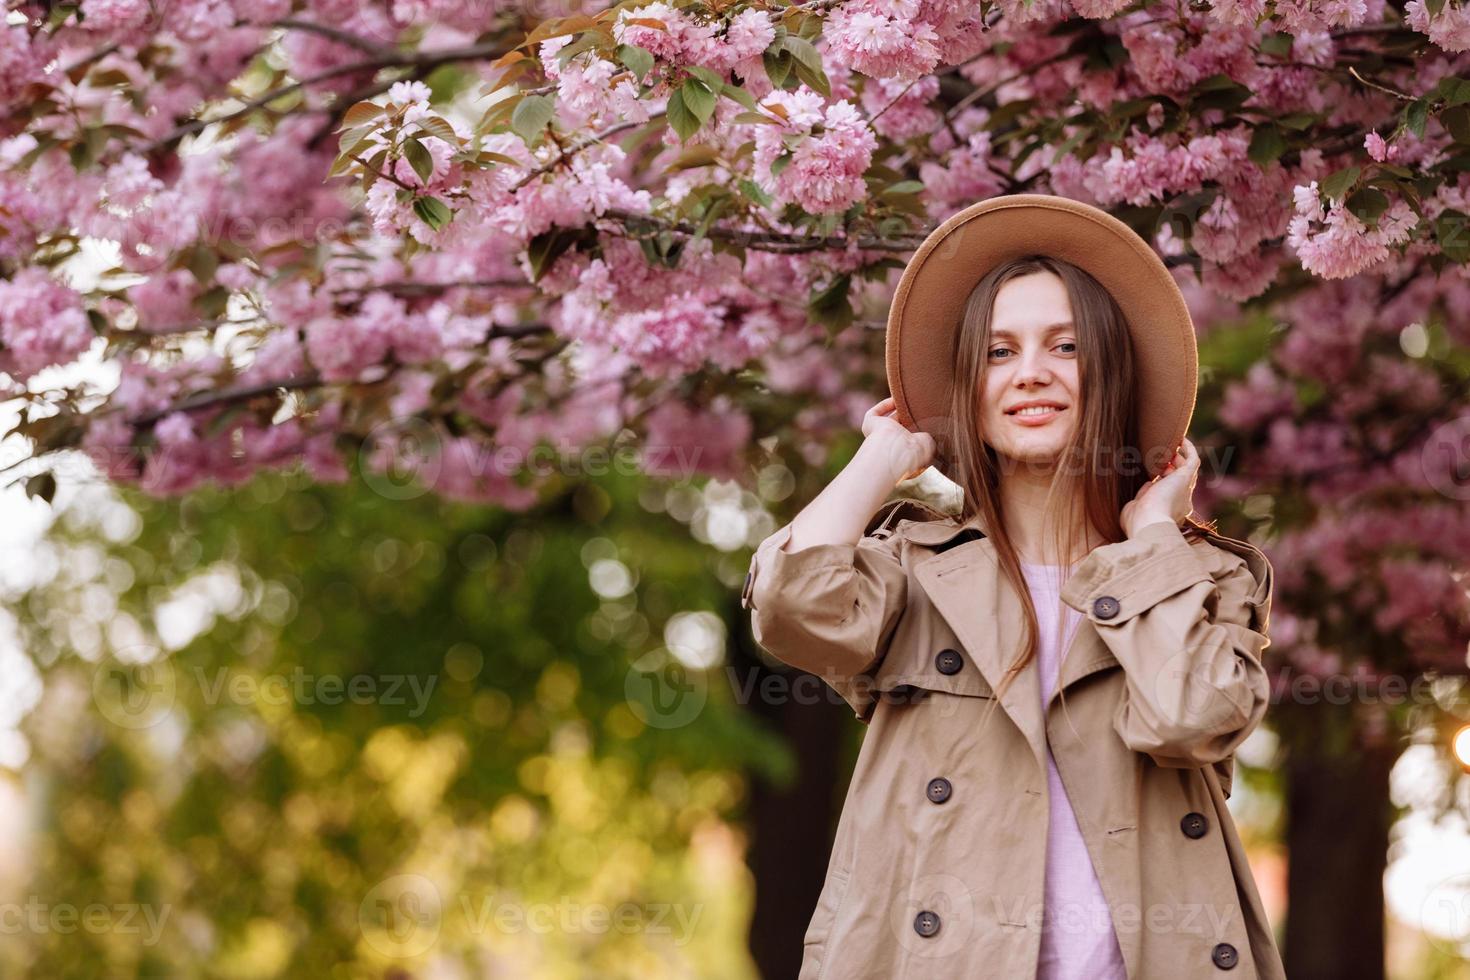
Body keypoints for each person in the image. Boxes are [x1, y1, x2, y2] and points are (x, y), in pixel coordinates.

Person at [742, 196, 1286, 979]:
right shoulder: (912, 572)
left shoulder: (1201, 578)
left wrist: (1156, 536)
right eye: (997, 353)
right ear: (969, 385)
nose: (1030, 372)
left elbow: (1193, 718)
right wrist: (885, 457)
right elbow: (792, 607)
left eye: (1064, 345)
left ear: (1110, 370)